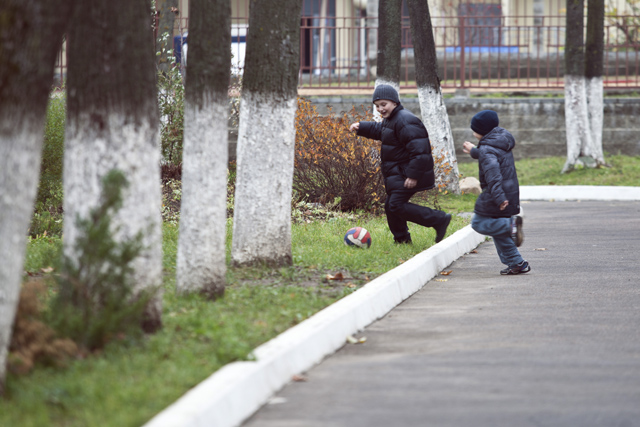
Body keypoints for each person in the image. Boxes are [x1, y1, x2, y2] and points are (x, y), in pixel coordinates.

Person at [349, 84, 451, 244]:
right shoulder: (392, 120)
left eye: (384, 104)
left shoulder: (405, 120)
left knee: (395, 205)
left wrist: (413, 175)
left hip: (408, 174)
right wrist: (362, 127)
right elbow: (381, 131)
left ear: (395, 102)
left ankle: (438, 219)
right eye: (377, 106)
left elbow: (420, 151)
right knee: (391, 205)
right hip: (400, 173)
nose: (380, 109)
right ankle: (402, 239)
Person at [462, 110, 529, 275]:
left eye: (474, 128)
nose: (472, 131)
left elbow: (493, 174)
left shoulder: (486, 148)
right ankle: (517, 263)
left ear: (481, 131)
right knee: (498, 233)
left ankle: (510, 226)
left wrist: (499, 198)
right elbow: (491, 155)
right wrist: (474, 151)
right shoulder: (500, 140)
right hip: (509, 191)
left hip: (496, 192)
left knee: (478, 222)